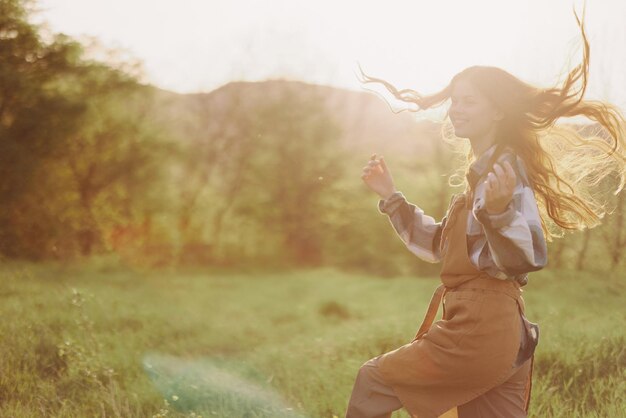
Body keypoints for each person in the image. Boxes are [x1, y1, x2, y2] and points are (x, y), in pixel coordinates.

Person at [347, 8, 626, 418]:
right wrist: (391, 197)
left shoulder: (504, 171)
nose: (456, 109)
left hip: (480, 329)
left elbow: (530, 254)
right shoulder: (483, 175)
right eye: (454, 101)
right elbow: (438, 245)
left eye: (469, 101)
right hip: (500, 333)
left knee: (373, 381)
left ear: (497, 111)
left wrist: (498, 215)